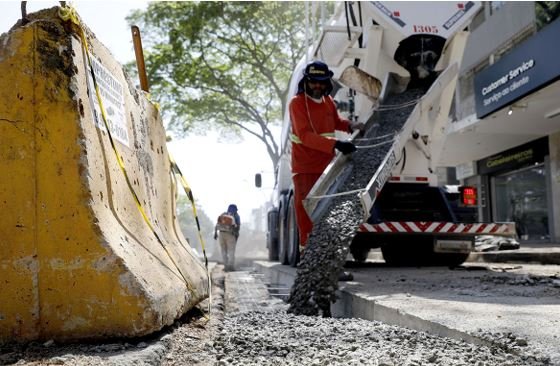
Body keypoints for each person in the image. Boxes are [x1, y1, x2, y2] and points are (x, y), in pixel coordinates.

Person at [289, 60, 364, 257]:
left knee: (326, 216)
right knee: (307, 216)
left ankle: (327, 259)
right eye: (314, 82)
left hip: (327, 169)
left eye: (321, 82)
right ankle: (309, 261)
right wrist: (337, 144)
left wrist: (351, 126)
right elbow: (305, 136)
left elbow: (336, 122)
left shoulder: (328, 102)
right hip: (305, 169)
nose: (317, 86)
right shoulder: (297, 104)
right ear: (306, 81)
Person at [214, 204, 241, 271]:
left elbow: (217, 224)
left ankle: (226, 266)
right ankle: (231, 266)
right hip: (230, 235)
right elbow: (238, 227)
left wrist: (215, 234)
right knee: (231, 251)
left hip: (221, 234)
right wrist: (236, 234)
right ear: (235, 210)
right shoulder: (236, 216)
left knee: (223, 251)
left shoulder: (223, 214)